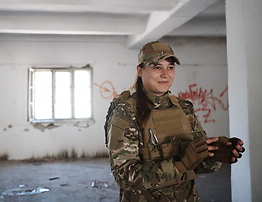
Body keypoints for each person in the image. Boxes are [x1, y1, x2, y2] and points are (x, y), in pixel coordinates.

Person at [104, 41, 245, 201]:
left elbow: (197, 162)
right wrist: (179, 165)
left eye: (170, 67)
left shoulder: (183, 108)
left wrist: (215, 154)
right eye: (157, 67)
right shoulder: (126, 112)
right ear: (140, 71)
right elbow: (124, 176)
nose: (165, 74)